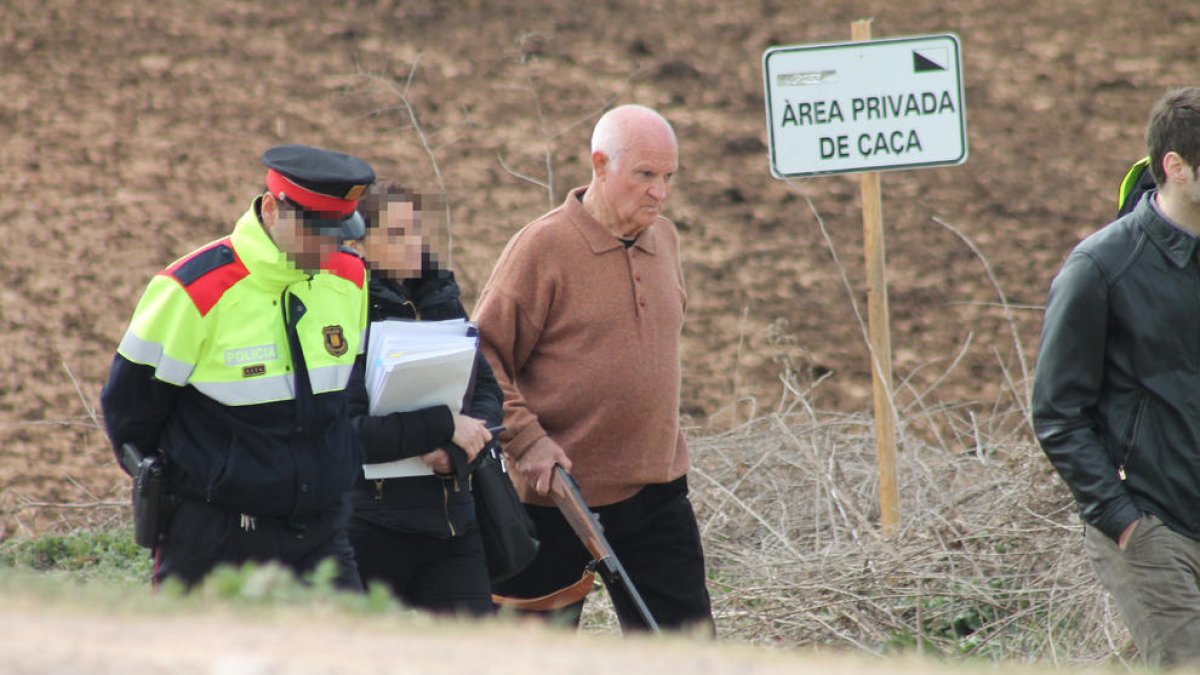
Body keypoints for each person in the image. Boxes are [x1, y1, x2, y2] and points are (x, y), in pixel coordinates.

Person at [474, 104, 714, 633]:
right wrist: (528, 441)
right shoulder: (543, 247)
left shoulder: (666, 239)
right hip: (555, 497)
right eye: (645, 175)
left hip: (658, 493)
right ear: (600, 165)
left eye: (669, 177)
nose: (660, 192)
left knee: (684, 652)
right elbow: (482, 354)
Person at [100, 144, 376, 591]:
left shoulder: (350, 277)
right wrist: (206, 481)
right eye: (316, 232)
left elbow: (348, 389)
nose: (329, 247)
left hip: (321, 535)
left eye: (339, 234)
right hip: (215, 540)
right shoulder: (192, 289)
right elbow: (130, 412)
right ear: (272, 208)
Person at [1032, 86, 1200, 667]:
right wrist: (1122, 521)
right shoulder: (1100, 269)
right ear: (1175, 168)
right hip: (1156, 528)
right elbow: (1057, 413)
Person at [343, 182, 501, 616]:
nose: (412, 244)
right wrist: (444, 426)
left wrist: (457, 450)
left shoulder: (443, 298)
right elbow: (350, 432)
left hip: (453, 522)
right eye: (395, 235)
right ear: (358, 244)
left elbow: (486, 391)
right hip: (369, 526)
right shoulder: (342, 311)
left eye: (415, 230)